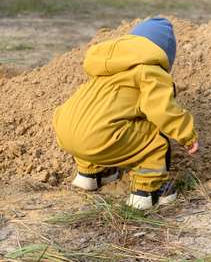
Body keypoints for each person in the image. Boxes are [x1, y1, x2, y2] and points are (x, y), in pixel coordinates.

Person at [53, 17, 198, 210]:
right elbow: (161, 109)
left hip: (65, 130)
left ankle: (91, 174)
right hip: (97, 137)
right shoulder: (149, 70)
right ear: (163, 54)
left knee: (94, 117)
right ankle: (147, 192)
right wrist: (187, 134)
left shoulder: (104, 67)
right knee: (155, 138)